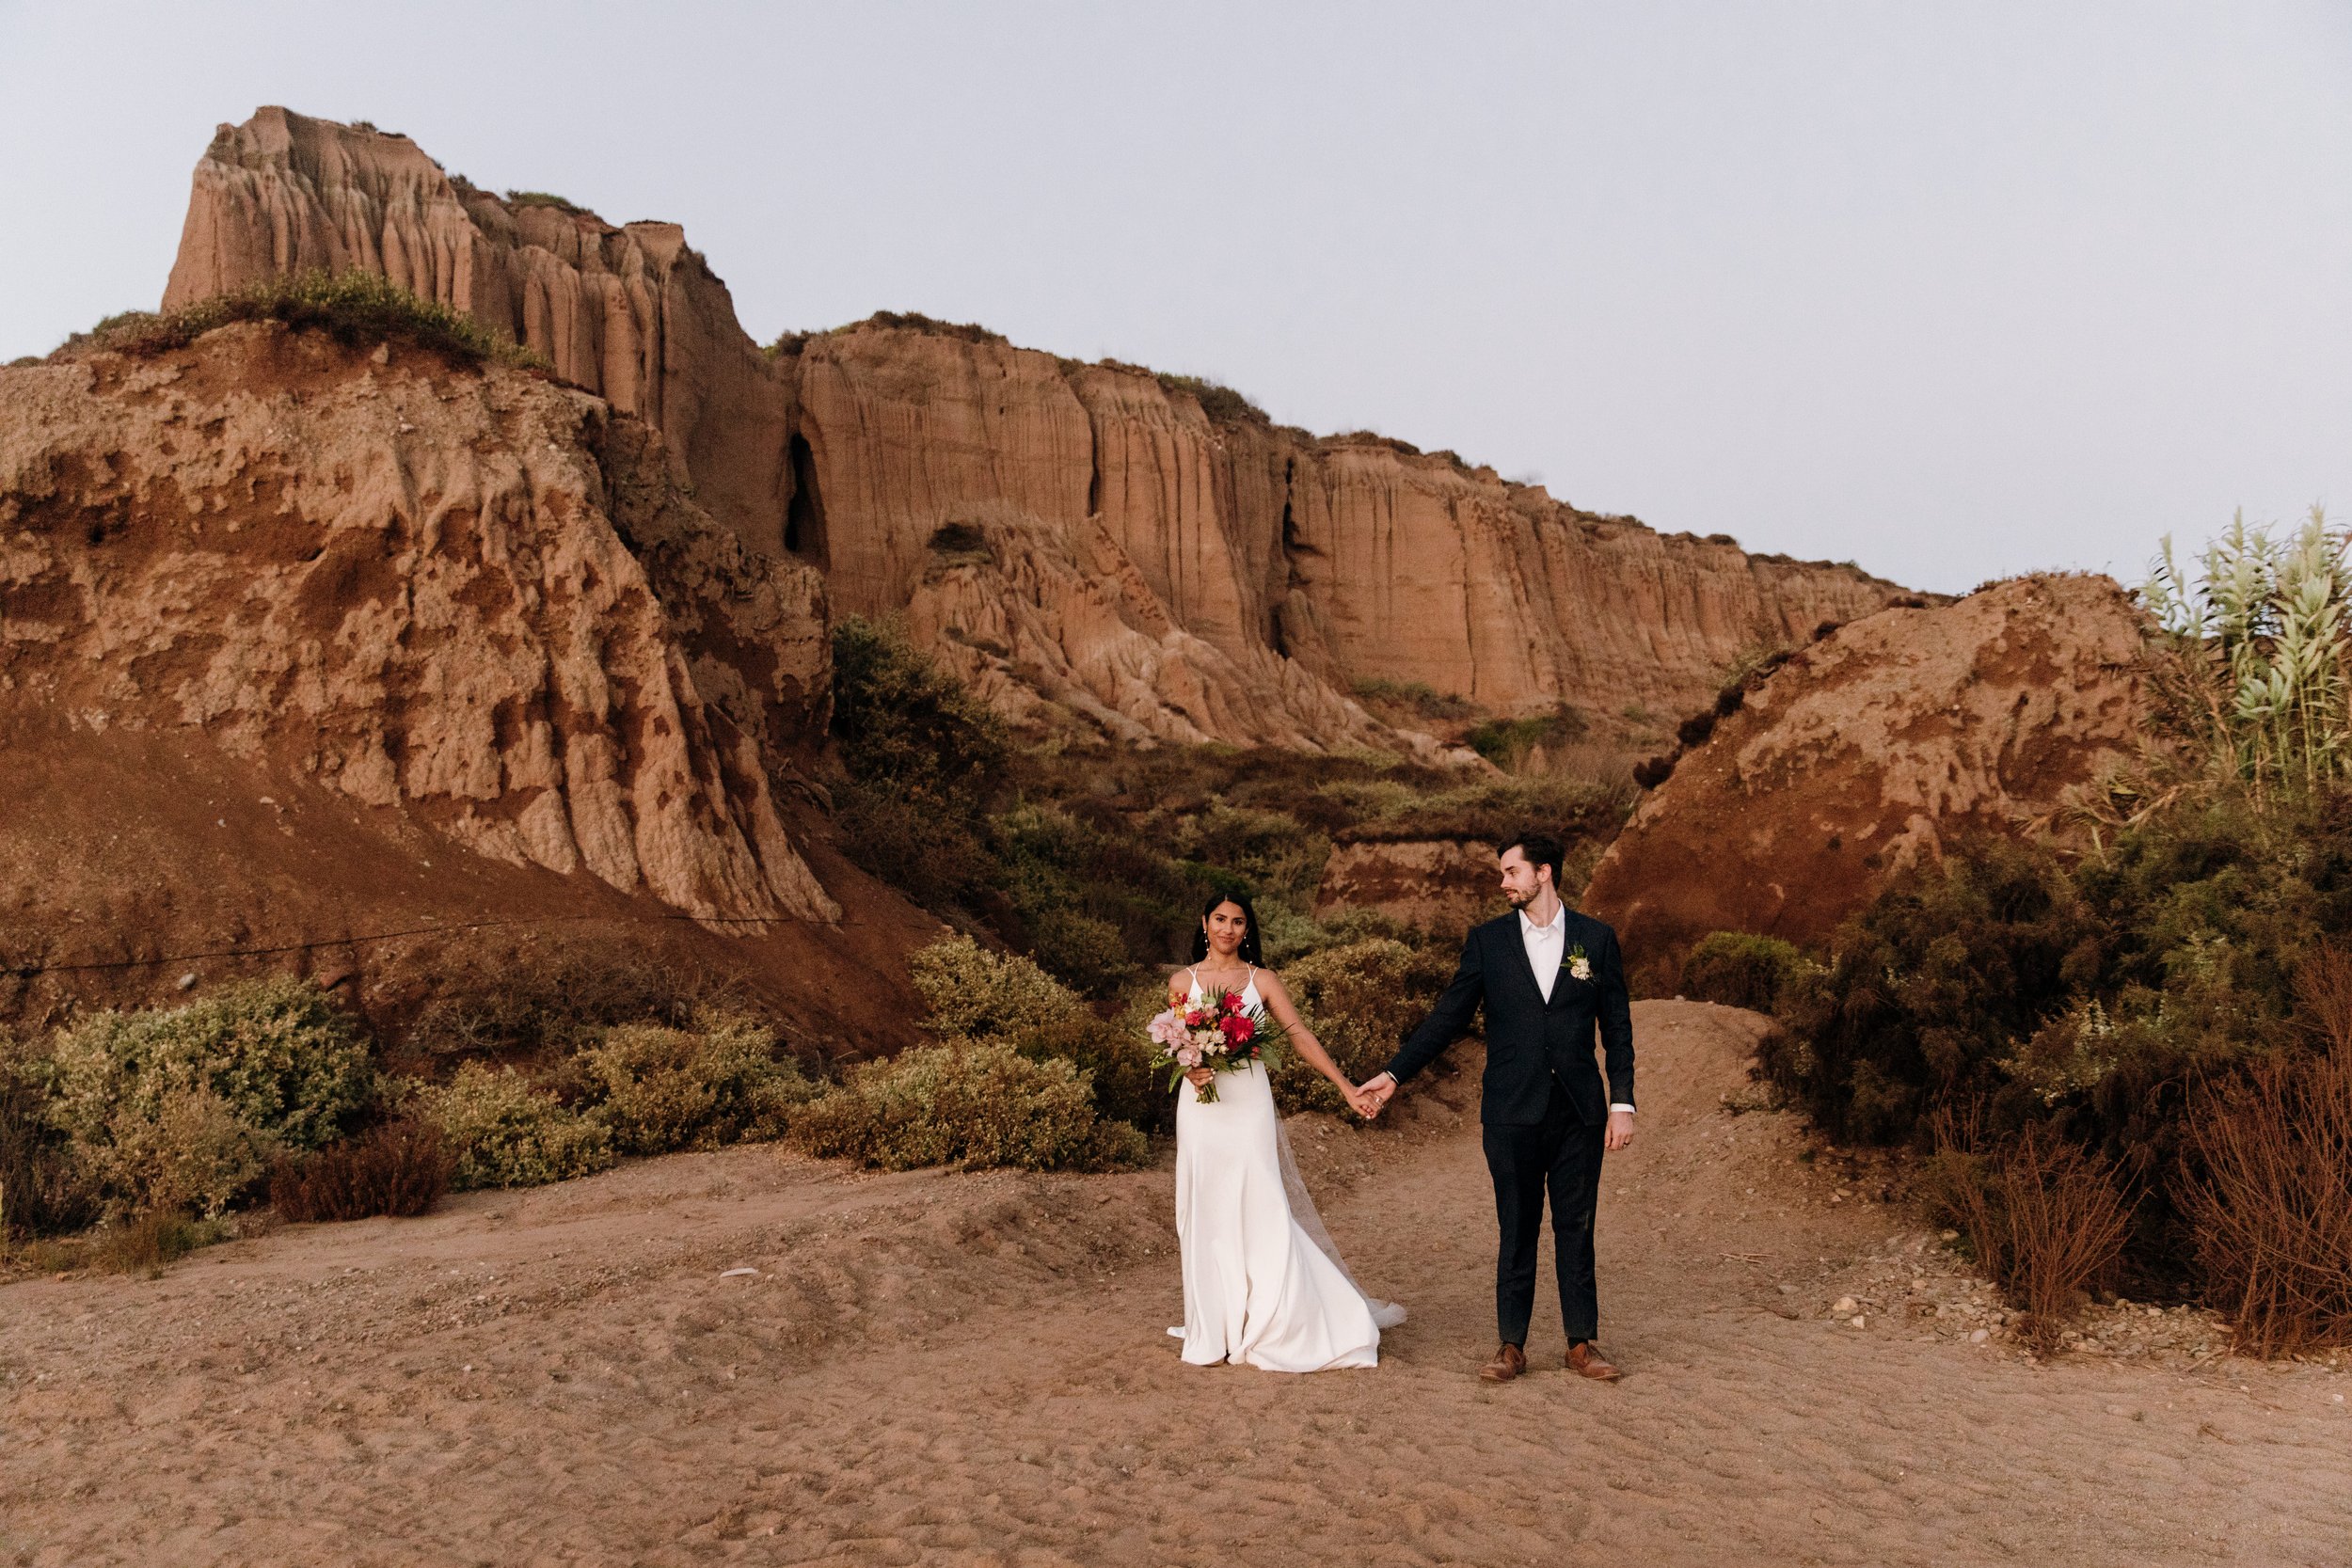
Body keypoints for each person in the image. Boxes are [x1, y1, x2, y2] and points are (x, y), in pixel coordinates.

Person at [1358, 832, 1635, 1384]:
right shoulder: (1487, 942)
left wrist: (1621, 1102)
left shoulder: (1595, 940)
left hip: (1581, 1109)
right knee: (1517, 1225)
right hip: (1511, 1109)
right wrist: (1394, 1074)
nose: (1503, 882)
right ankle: (1512, 1344)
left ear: (1544, 873)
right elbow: (1447, 1017)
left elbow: (1618, 1029)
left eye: (1512, 871)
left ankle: (1582, 1343)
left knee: (1577, 1227)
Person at [1168, 894, 1405, 1371]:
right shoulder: (1181, 981)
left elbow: (1299, 1035)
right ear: (1204, 922)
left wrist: (1344, 1087)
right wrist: (1187, 1067)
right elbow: (1176, 1041)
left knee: (1261, 1200)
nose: (1229, 929)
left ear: (1248, 929)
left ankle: (1274, 1317)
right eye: (1220, 919)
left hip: (1248, 1102)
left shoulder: (1263, 980)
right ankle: (1216, 1322)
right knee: (1205, 1203)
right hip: (1201, 1106)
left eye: (1239, 922)